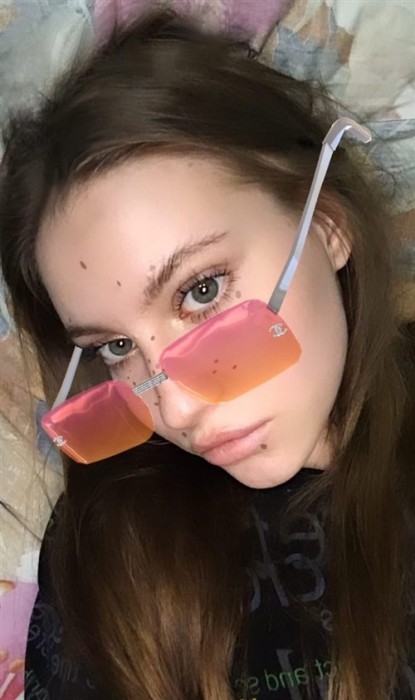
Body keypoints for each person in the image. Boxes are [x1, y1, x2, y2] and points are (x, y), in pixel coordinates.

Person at [0, 9, 414, 700]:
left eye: (201, 289)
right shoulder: (109, 547)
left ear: (326, 226)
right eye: (117, 347)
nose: (177, 408)